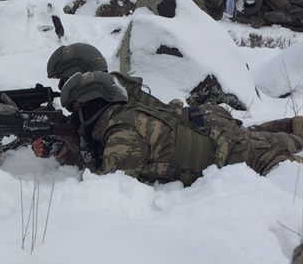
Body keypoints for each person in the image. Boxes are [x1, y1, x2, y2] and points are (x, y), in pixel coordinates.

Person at [33, 43, 303, 169]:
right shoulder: (112, 92)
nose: (61, 88)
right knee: (264, 136)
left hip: (211, 137)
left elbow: (112, 161)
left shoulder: (115, 104)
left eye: (64, 81)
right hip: (202, 124)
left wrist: (68, 148)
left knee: (275, 153)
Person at [50, 71, 303, 186]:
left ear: (90, 104)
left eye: (76, 110)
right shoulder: (124, 116)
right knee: (269, 136)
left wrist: (74, 146)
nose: (75, 117)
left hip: (235, 155)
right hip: (213, 129)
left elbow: (108, 186)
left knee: (283, 162)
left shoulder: (123, 133)